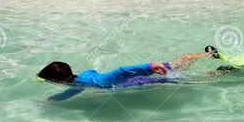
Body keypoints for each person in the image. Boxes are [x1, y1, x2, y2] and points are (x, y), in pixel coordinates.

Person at [38, 51, 213, 101]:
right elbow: (74, 89)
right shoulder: (81, 78)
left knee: (188, 80)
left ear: (58, 80)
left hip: (142, 79)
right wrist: (55, 99)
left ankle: (223, 71)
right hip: (143, 75)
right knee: (176, 64)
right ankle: (209, 55)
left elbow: (120, 72)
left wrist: (149, 67)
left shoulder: (92, 82)